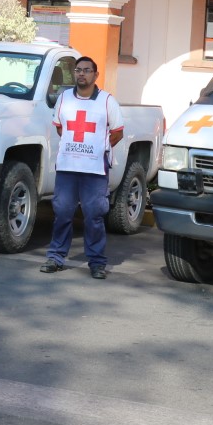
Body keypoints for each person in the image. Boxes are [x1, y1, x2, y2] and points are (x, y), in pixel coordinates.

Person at [40, 56, 124, 279]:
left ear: (95, 75)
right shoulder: (64, 98)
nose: (81, 74)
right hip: (67, 167)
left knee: (94, 216)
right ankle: (56, 257)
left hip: (95, 169)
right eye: (78, 70)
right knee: (62, 213)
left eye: (87, 70)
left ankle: (96, 262)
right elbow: (60, 128)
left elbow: (117, 132)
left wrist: (97, 148)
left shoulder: (107, 101)